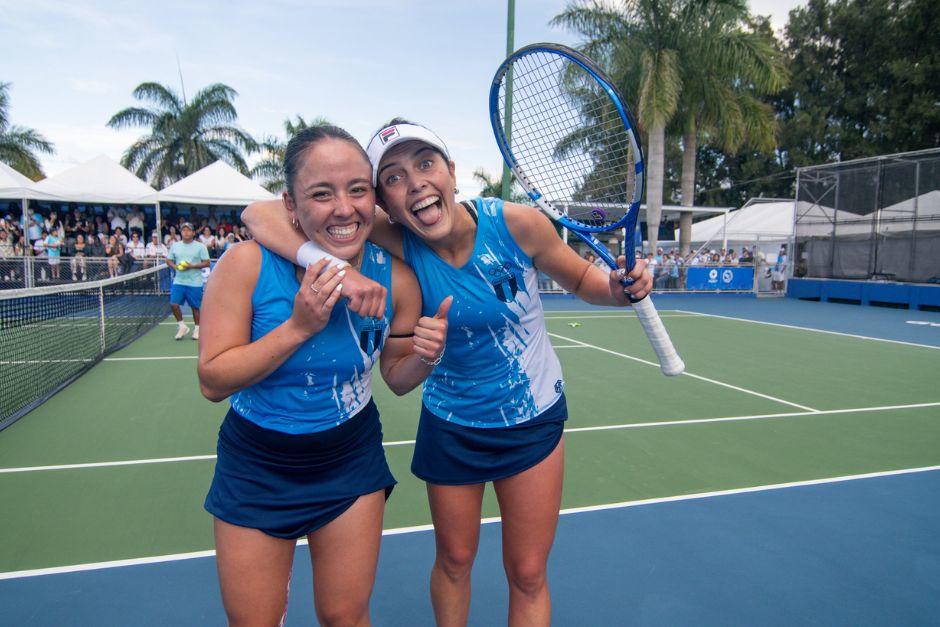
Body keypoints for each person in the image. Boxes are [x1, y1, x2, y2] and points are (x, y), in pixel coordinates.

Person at [242, 119, 652, 626]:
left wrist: (617, 289)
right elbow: (257, 213)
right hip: (452, 424)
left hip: (533, 420)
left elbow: (585, 279)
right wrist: (337, 270)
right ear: (383, 204)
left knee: (527, 572)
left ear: (452, 173)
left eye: (426, 164)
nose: (414, 183)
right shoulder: (394, 240)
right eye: (392, 177)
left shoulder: (517, 224)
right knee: (455, 561)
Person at [198, 125, 446, 626]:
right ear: (290, 204)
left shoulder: (396, 278)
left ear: (374, 199)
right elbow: (213, 380)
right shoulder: (246, 264)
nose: (343, 208)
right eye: (321, 193)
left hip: (348, 459)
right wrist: (298, 326)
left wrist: (426, 355)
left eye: (358, 190)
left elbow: (396, 378)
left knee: (346, 617)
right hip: (257, 464)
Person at [166, 222, 210, 340]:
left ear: (193, 233)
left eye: (189, 230)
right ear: (181, 232)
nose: (186, 232)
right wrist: (175, 267)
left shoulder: (200, 247)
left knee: (195, 307)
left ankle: (197, 329)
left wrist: (192, 266)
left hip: (195, 283)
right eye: (184, 230)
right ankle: (182, 326)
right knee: (174, 304)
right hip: (179, 281)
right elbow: (169, 260)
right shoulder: (175, 246)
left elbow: (207, 262)